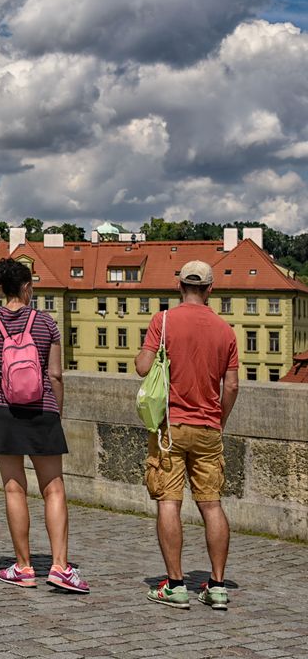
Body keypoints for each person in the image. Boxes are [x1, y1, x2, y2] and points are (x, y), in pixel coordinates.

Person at [0, 258, 89, 594]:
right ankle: (61, 567)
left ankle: (22, 567)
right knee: (53, 488)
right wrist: (57, 411)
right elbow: (55, 375)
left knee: (13, 488)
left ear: (1, 289)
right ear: (27, 288)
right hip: (42, 411)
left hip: (0, 411)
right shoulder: (46, 322)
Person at [135, 260, 239, 611]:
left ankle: (176, 585)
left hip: (170, 427)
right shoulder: (226, 331)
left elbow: (142, 367)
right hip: (209, 427)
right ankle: (218, 586)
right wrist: (218, 420)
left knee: (169, 501)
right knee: (211, 505)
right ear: (211, 290)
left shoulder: (162, 321)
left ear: (179, 285)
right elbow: (233, 385)